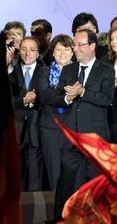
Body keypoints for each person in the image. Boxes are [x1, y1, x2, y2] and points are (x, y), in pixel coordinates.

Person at [52, 29, 115, 221]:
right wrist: (68, 97)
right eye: (75, 44)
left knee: (94, 181)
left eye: (80, 45)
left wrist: (83, 92)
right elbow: (57, 97)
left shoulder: (106, 70)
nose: (75, 48)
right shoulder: (69, 69)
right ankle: (60, 218)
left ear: (92, 46)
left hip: (94, 136)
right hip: (71, 133)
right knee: (66, 180)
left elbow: (107, 99)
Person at [36, 34, 74, 190]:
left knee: (74, 173)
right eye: (58, 49)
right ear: (53, 52)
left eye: (66, 49)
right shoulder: (44, 72)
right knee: (54, 173)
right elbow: (44, 96)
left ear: (73, 52)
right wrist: (68, 96)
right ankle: (56, 211)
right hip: (50, 127)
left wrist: (56, 93)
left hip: (74, 127)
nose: (62, 53)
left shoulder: (80, 71)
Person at [9, 36, 44, 191]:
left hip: (37, 124)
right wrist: (22, 100)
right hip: (17, 125)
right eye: (23, 49)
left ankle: (36, 208)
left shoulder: (46, 71)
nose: (27, 53)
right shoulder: (11, 71)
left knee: (36, 169)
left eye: (31, 50)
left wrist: (37, 98)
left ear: (38, 53)